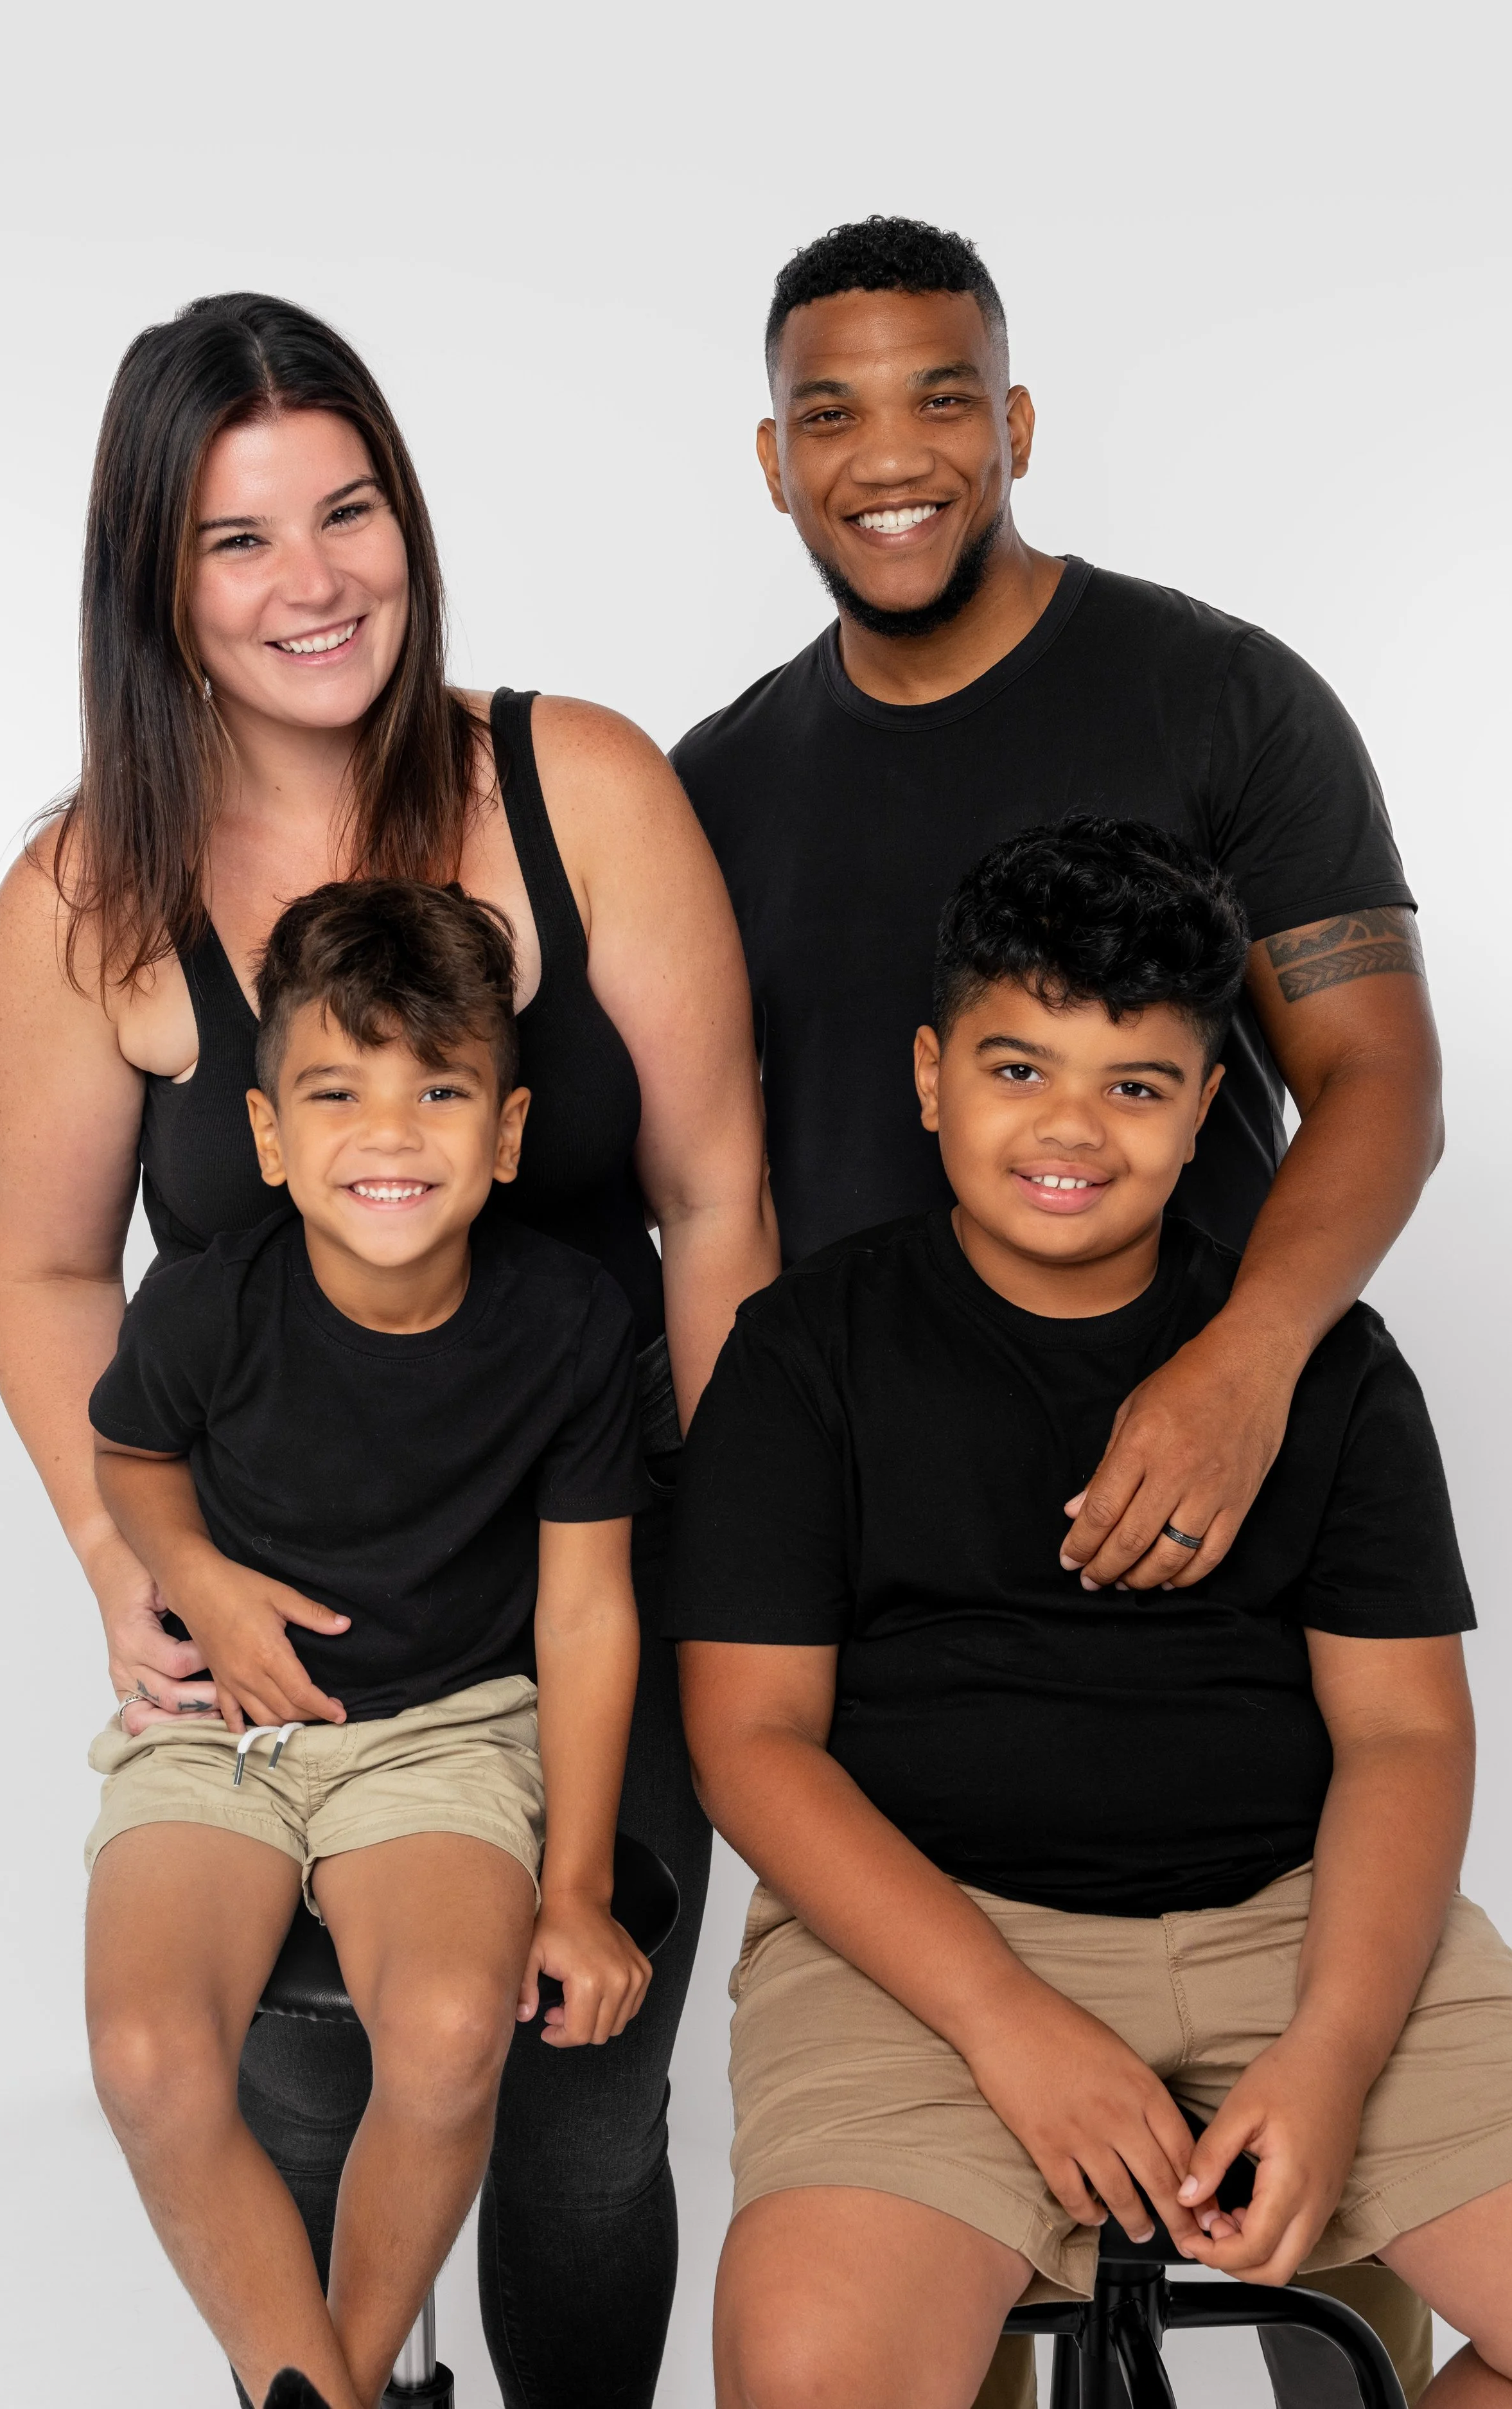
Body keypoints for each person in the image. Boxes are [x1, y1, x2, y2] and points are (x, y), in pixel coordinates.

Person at [0, 293, 778, 2409]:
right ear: (151, 576)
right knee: (302, 2083)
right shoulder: (87, 899)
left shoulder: (578, 782)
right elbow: (48, 1270)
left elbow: (718, 1204)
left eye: (348, 511)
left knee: (584, 2124)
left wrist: (759, 1582)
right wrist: (125, 1559)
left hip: (601, 1579)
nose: (314, 580)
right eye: (238, 540)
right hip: (296, 1615)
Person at [670, 211, 1443, 2394]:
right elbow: (678, 1175)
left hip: (1219, 1589)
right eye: (834, 411)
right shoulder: (724, 790)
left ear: (1013, 423)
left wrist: (1245, 1362)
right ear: (771, 458)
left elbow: (1378, 1078)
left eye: (943, 399)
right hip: (894, 1618)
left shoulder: (1216, 696)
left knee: (1321, 2283)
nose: (891, 456)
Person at [665, 820, 1511, 2409]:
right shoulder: (804, 1356)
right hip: (920, 1947)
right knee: (806, 2381)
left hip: (1296, 1923)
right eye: (1014, 1069)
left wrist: (1330, 2059)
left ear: (1206, 1109)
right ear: (928, 1078)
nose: (1071, 1128)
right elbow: (749, 1746)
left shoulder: (1324, 1366)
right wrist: (1005, 2022)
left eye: (1133, 1085)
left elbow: (1401, 1736)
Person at [86, 879, 654, 2409]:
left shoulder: (574, 1324)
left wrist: (581, 1888)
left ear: (509, 1133)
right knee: (148, 2053)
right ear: (269, 1140)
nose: (390, 1136)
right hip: (223, 1726)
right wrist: (192, 1575)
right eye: (336, 1093)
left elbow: (588, 1607)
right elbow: (131, 1460)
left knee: (455, 2028)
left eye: (439, 1092)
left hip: (447, 1730)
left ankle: (327, 2386)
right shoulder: (205, 1307)